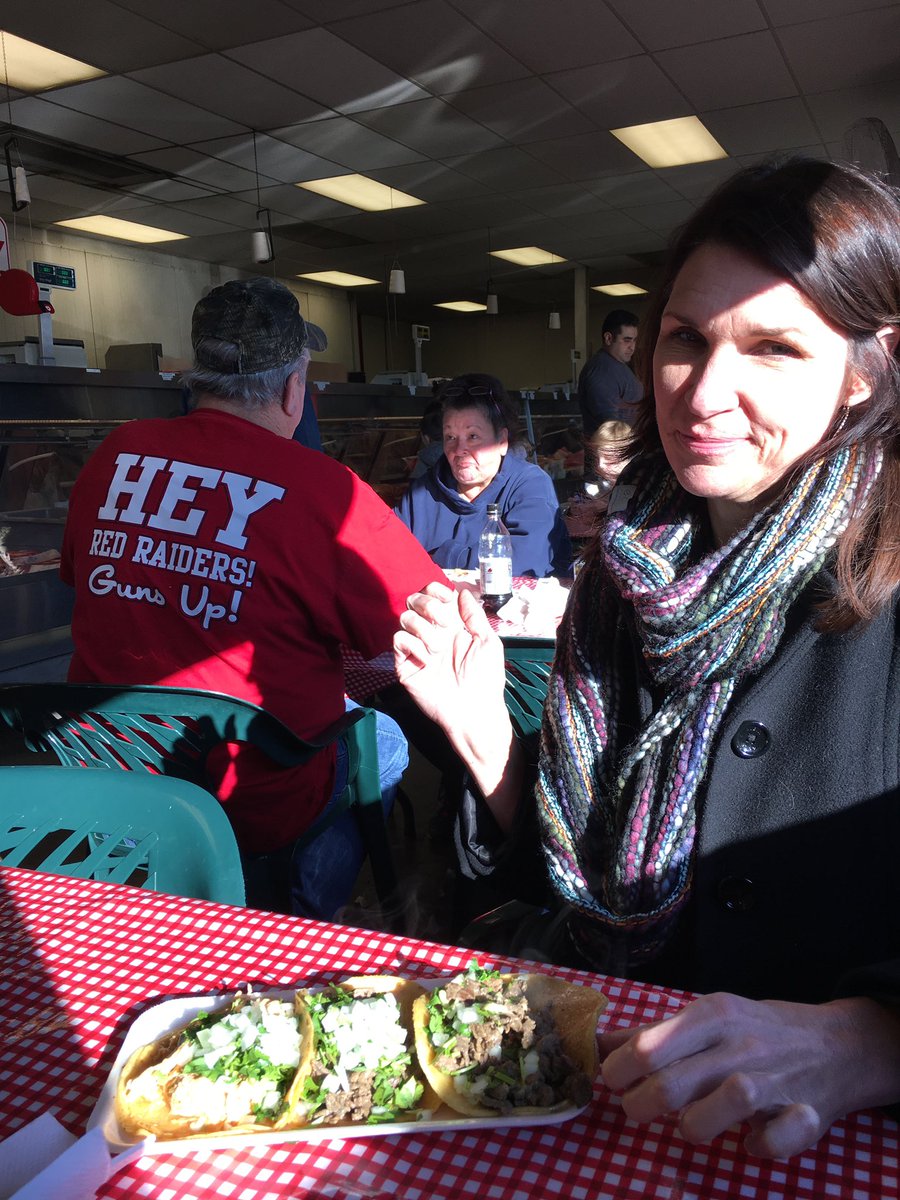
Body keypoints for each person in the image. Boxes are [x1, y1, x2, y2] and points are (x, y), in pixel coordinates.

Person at [393, 159, 900, 1159]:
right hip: (622, 1105)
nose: (704, 391)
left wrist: (874, 1039)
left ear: (869, 370)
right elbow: (579, 891)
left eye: (772, 346)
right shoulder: (623, 573)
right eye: (685, 338)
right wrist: (491, 743)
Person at [60, 277, 444, 918]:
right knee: (388, 739)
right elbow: (417, 622)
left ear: (195, 374)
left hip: (107, 778)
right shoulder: (330, 493)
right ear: (296, 388)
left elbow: (81, 577)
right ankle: (294, 920)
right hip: (254, 801)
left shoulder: (114, 455)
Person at [395, 373, 571, 577]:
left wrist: (440, 556)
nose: (459, 449)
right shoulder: (421, 493)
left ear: (502, 441)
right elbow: (390, 556)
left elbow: (521, 565)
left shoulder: (530, 485)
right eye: (450, 436)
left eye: (473, 436)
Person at [577, 309, 643, 478]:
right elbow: (611, 428)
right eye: (627, 340)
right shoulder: (602, 371)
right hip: (609, 469)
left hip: (624, 463)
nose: (632, 346)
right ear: (608, 338)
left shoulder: (619, 367)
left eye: (634, 340)